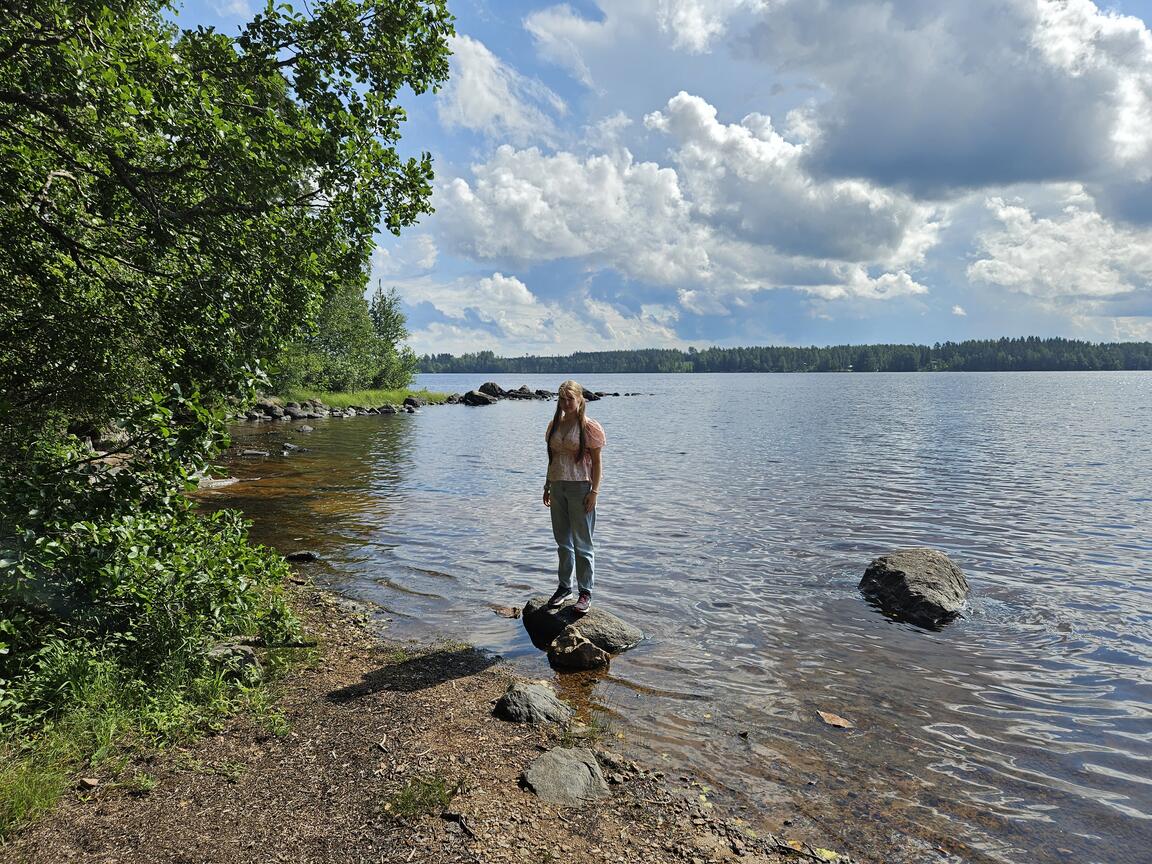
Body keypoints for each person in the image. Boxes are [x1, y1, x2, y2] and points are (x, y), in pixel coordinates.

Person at [542, 380, 605, 614]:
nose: (566, 403)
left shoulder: (588, 427)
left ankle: (585, 593)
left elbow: (597, 463)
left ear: (580, 400)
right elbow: (552, 459)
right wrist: (547, 485)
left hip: (581, 488)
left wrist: (594, 492)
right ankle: (564, 587)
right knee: (562, 542)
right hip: (558, 486)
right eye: (562, 399)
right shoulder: (554, 425)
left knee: (582, 543)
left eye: (570, 398)